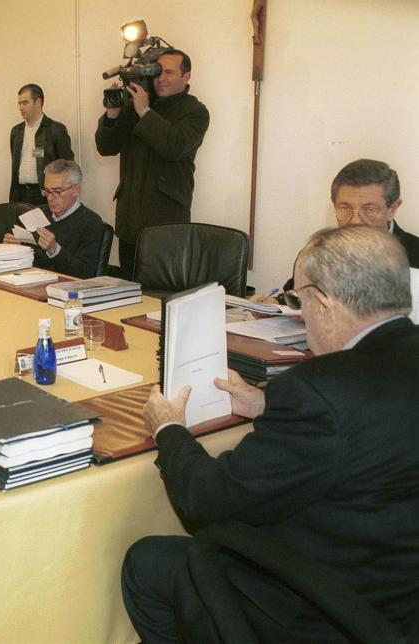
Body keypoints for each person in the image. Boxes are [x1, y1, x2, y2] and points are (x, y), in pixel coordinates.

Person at [125, 225, 419, 642]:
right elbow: (371, 420)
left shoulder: (319, 390)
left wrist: (169, 428)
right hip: (402, 595)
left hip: (326, 608)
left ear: (323, 301)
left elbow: (207, 501)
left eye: (298, 300)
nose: (298, 314)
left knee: (146, 562)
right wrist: (266, 405)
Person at [95, 49, 210, 279]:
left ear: (186, 77)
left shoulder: (195, 111)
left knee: (159, 298)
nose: (161, 78)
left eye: (169, 72)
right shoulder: (136, 104)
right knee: (128, 294)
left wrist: (144, 111)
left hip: (165, 224)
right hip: (130, 223)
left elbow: (174, 146)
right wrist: (113, 114)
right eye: (157, 72)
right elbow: (106, 147)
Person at [281, 159, 419, 294]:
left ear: (392, 209)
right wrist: (274, 303)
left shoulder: (415, 255)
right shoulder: (316, 253)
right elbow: (294, 296)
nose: (355, 221)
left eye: (369, 210)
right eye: (345, 208)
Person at [2, 159, 104, 278]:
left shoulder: (91, 222)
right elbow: (31, 260)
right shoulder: (39, 213)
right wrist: (15, 248)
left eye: (57, 191)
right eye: (47, 191)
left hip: (65, 290)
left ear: (75, 190)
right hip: (31, 281)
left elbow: (85, 273)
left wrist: (55, 250)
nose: (50, 198)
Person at [9, 84, 74, 206]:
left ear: (38, 102)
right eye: (19, 103)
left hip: (45, 195)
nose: (21, 107)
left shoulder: (55, 130)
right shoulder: (16, 132)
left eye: (25, 103)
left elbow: (68, 167)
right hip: (20, 195)